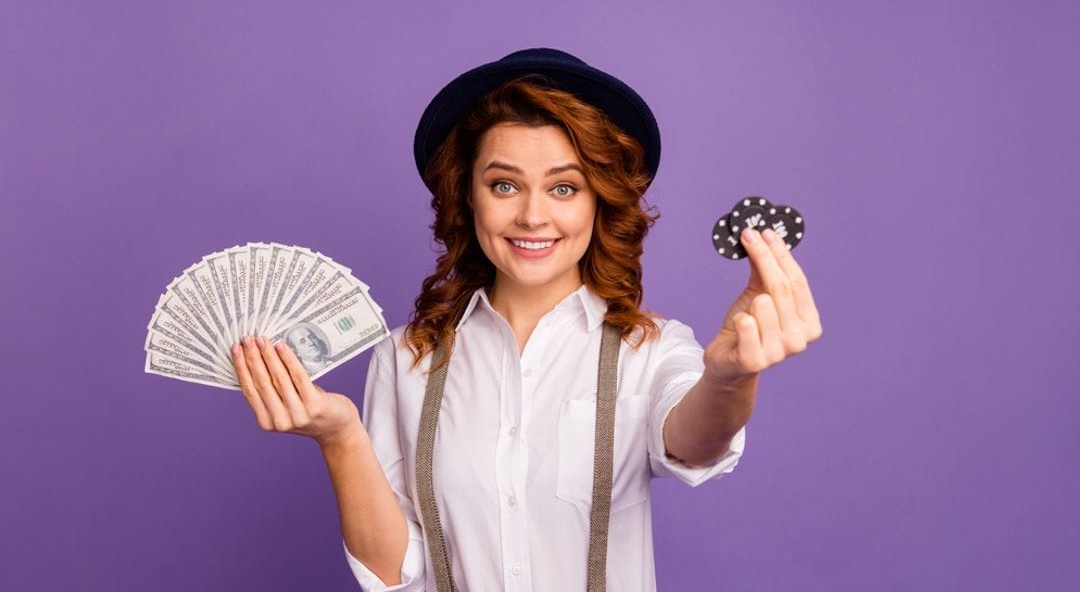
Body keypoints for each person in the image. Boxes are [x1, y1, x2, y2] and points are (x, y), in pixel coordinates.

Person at [230, 48, 822, 591]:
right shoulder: (405, 358)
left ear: (599, 201)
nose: (533, 215)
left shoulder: (651, 348)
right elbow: (395, 573)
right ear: (468, 196)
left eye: (564, 188)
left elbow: (695, 443)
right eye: (505, 184)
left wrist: (730, 376)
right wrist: (339, 435)